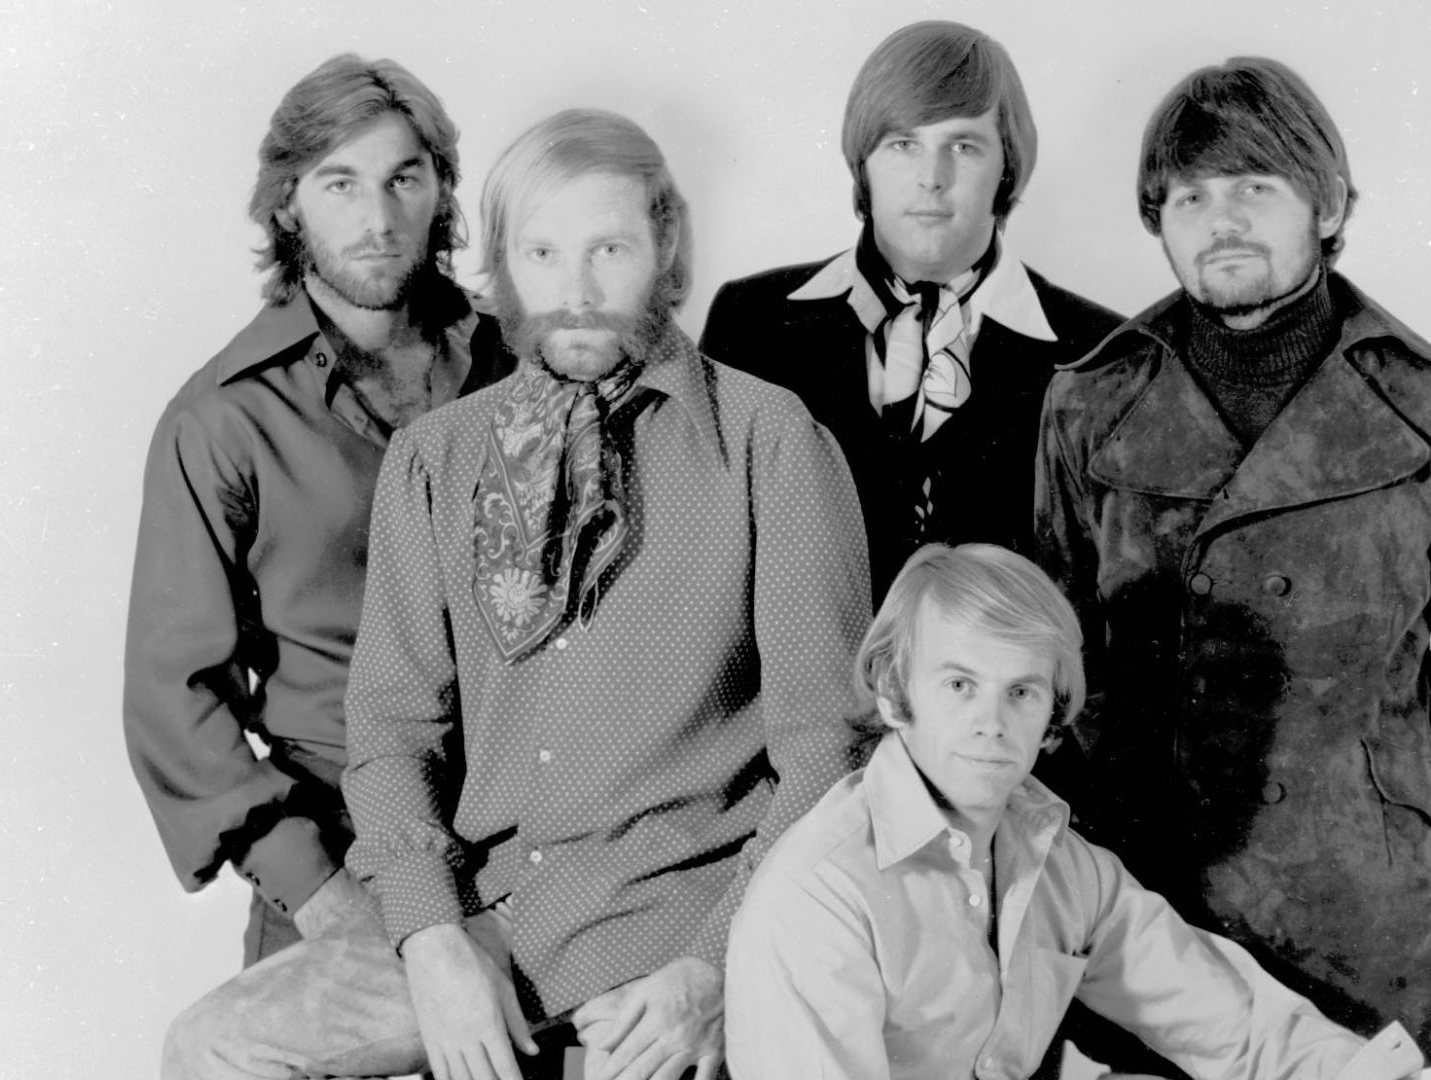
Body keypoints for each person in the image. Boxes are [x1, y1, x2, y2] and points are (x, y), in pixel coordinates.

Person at [161, 107, 872, 1080]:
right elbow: (391, 733)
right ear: (501, 268)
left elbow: (827, 752)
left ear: (667, 249)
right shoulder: (437, 460)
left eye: (609, 249)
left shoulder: (769, 444)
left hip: (670, 931)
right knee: (212, 1047)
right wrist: (429, 940)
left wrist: (719, 970)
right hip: (489, 919)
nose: (576, 294)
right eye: (542, 253)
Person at [1034, 57, 1431, 1070]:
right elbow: (1055, 644)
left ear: (1327, 202)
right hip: (1152, 901)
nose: (1220, 219)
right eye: (1191, 195)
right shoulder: (1088, 405)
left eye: (1254, 187)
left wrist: (1396, 804)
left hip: (1358, 914)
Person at [726, 543, 1425, 1080]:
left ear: (1052, 715)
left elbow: (1226, 1018)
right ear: (891, 692)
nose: (991, 723)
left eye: (1021, 693)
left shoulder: (1054, 858)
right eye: (960, 685)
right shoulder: (821, 895)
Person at [124, 52, 507, 968]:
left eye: (402, 179)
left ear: (441, 193)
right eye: (341, 185)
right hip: (340, 866)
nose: (377, 221)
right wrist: (316, 895)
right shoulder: (222, 418)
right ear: (287, 202)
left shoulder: (518, 364)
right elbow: (173, 696)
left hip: (525, 857)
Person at [700, 20, 1121, 604]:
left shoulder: (1100, 348)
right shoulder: (751, 320)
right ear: (863, 164)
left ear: (1007, 167)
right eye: (903, 144)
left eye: (963, 146)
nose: (931, 178)